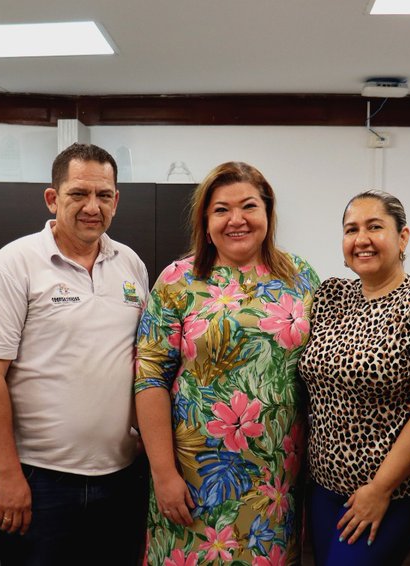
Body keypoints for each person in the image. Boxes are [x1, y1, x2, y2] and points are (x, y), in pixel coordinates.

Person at [0, 143, 148, 565]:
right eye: (78, 194)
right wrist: (7, 474)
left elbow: (142, 363)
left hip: (122, 478)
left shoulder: (131, 265)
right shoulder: (14, 265)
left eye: (104, 195)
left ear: (116, 201)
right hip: (40, 482)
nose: (92, 207)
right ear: (53, 198)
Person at [135, 161, 319, 566]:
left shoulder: (301, 276)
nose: (237, 220)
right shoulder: (177, 281)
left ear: (268, 212)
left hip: (275, 481)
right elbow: (149, 379)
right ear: (206, 220)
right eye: (221, 209)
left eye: (249, 206)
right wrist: (163, 474)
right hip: (192, 479)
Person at [297, 190, 410, 565]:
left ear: (403, 237)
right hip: (323, 488)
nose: (362, 239)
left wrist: (380, 489)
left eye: (374, 227)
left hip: (388, 492)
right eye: (351, 229)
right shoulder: (330, 295)